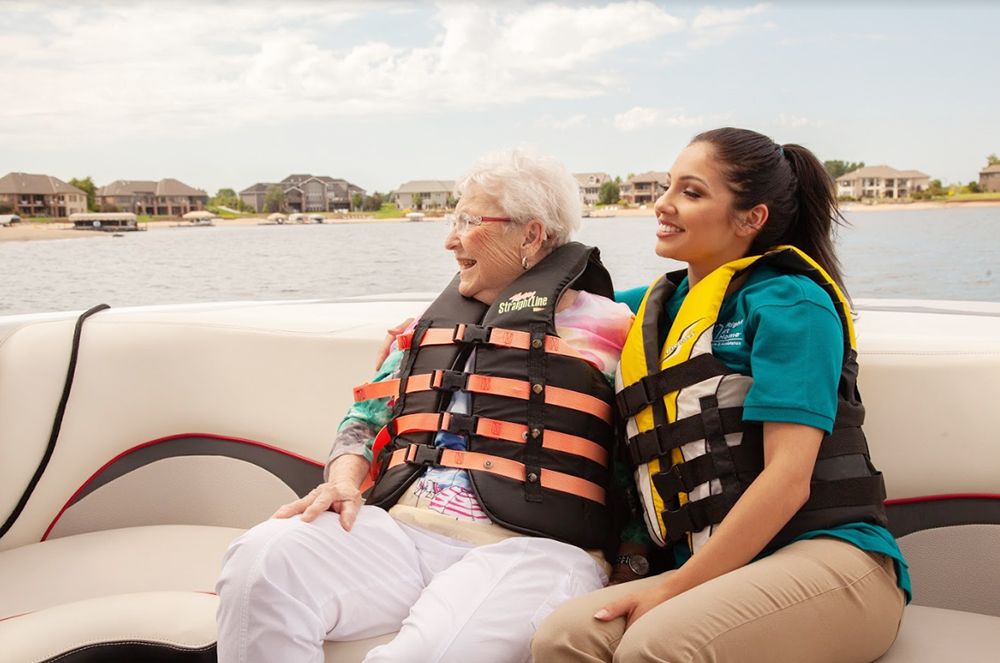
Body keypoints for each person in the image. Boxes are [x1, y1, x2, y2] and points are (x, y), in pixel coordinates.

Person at [215, 148, 634, 663]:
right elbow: (364, 422)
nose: (449, 239)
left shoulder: (615, 332)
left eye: (468, 221)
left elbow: (639, 462)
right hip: (402, 532)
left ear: (531, 234)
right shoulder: (424, 330)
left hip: (535, 549)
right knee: (262, 561)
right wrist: (344, 481)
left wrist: (632, 563)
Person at [531, 127, 911, 663]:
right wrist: (420, 330)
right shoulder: (655, 306)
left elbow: (788, 480)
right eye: (667, 187)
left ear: (750, 218)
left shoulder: (791, 303)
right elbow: (543, 309)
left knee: (655, 647)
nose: (663, 204)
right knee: (562, 637)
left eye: (691, 192)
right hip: (709, 565)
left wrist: (673, 586)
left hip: (832, 560)